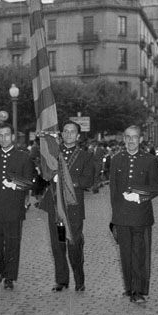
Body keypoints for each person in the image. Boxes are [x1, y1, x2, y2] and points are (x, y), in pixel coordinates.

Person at [110, 125, 158, 304]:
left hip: (141, 215)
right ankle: (129, 287)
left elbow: (156, 188)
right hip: (122, 216)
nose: (131, 141)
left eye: (134, 137)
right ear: (123, 139)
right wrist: (115, 217)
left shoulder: (149, 160)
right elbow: (114, 191)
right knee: (125, 253)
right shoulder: (116, 159)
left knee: (139, 253)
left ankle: (139, 290)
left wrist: (139, 195)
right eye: (127, 137)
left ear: (141, 140)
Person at [40, 121, 94, 292]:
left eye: (72, 132)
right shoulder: (54, 153)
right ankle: (61, 280)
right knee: (58, 244)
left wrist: (68, 183)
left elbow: (88, 181)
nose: (68, 134)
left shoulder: (85, 156)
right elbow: (44, 173)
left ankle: (79, 280)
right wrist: (50, 176)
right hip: (55, 206)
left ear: (78, 136)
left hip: (73, 208)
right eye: (65, 131)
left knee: (74, 244)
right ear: (61, 134)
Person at [0, 124, 34, 290]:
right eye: (0, 135)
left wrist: (14, 185)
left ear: (12, 137)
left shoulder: (23, 157)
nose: (3, 138)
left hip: (13, 207)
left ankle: (10, 277)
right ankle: (1, 269)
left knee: (12, 244)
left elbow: (29, 182)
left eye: (6, 135)